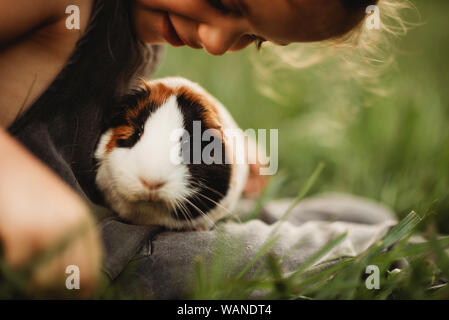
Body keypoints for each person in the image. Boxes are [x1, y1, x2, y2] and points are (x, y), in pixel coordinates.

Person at [0, 0, 400, 298]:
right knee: (215, 260)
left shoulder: (130, 17)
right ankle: (401, 255)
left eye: (253, 38)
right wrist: (13, 179)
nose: (216, 43)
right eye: (224, 2)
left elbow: (83, 115)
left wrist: (212, 144)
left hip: (105, 221)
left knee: (223, 227)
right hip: (82, 254)